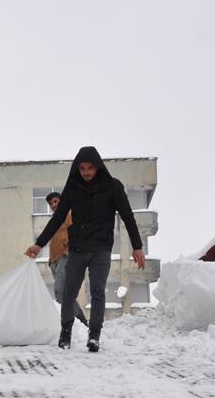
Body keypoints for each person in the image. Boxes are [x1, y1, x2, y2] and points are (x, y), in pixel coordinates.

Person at [25, 146, 145, 352]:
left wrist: (137, 246)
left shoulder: (113, 187)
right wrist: (39, 243)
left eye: (90, 168)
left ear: (98, 167)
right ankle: (66, 333)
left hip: (101, 248)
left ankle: (94, 336)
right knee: (69, 292)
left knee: (98, 291)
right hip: (78, 248)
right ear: (77, 168)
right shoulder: (72, 188)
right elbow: (58, 218)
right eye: (82, 168)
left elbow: (127, 215)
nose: (87, 172)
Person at [45, 191, 89, 328]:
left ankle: (76, 322)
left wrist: (67, 252)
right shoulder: (54, 220)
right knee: (65, 294)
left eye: (55, 201)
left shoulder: (69, 215)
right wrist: (51, 260)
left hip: (65, 258)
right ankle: (80, 323)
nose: (53, 205)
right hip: (54, 261)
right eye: (51, 203)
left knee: (59, 292)